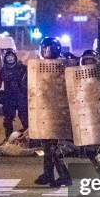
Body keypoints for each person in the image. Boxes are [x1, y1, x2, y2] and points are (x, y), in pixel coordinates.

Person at [34, 37, 72, 187]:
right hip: (45, 109)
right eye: (43, 49)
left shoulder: (63, 65)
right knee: (46, 145)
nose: (45, 52)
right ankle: (48, 174)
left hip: (59, 110)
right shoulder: (39, 66)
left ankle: (64, 175)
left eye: (47, 49)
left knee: (54, 147)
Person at [0, 49, 28, 139]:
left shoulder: (23, 68)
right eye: (8, 57)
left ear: (15, 57)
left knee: (25, 119)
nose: (10, 59)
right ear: (5, 59)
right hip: (9, 98)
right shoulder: (2, 71)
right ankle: (8, 140)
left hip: (21, 97)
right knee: (8, 121)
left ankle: (29, 138)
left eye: (12, 56)